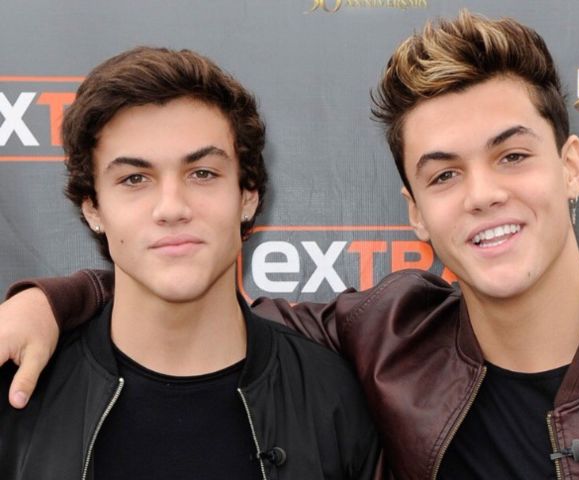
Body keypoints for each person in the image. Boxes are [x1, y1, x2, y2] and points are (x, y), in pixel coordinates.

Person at [2, 10, 579, 479]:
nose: (483, 194)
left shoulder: (362, 359)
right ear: (415, 213)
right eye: (444, 174)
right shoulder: (388, 341)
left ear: (571, 167)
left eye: (513, 156)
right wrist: (49, 303)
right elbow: (178, 291)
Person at [0, 47, 380, 480]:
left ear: (248, 195)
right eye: (134, 179)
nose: (172, 208)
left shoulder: (331, 397)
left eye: (202, 173)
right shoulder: (21, 392)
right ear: (93, 209)